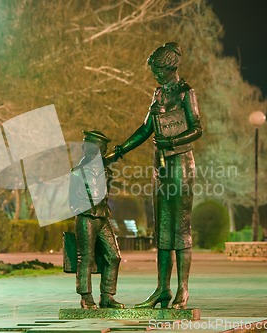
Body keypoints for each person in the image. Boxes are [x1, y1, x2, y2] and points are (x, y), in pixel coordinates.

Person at [105, 42, 202, 309]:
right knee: (162, 228)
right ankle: (162, 289)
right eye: (154, 70)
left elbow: (197, 129)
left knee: (180, 227)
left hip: (181, 164)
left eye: (158, 69)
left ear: (171, 67)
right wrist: (120, 150)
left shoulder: (186, 93)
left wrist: (170, 143)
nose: (155, 75)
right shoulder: (158, 94)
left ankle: (183, 290)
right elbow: (146, 127)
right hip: (160, 166)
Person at [69, 130, 125, 310]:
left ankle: (107, 296)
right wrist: (82, 209)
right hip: (86, 217)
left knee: (113, 256)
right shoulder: (77, 172)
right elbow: (72, 200)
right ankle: (86, 297)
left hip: (102, 216)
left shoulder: (106, 171)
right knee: (86, 258)